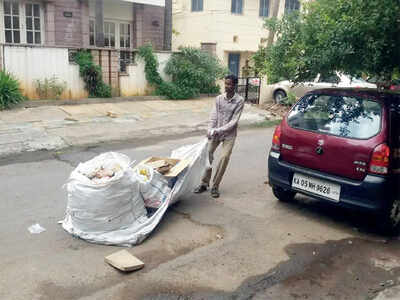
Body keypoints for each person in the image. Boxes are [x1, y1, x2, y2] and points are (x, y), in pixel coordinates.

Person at [194, 74, 245, 198]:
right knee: (208, 154)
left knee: (224, 158)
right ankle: (204, 183)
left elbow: (234, 122)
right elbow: (214, 116)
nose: (226, 86)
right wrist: (210, 129)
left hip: (229, 135)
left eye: (229, 84)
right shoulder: (219, 99)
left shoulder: (239, 101)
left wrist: (218, 130)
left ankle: (215, 186)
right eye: (225, 84)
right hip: (216, 133)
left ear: (234, 85)